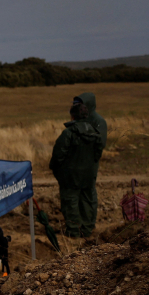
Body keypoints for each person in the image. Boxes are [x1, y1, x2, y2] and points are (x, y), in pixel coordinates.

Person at [48, 97, 103, 237]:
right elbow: (98, 154)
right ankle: (87, 229)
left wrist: (57, 171)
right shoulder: (95, 133)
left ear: (72, 116)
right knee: (88, 201)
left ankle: (73, 232)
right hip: (89, 175)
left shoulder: (68, 134)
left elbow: (57, 156)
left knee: (70, 202)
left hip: (70, 176)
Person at [76, 92, 108, 231]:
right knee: (78, 195)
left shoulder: (98, 121)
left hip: (89, 163)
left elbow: (100, 143)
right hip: (77, 162)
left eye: (82, 104)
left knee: (88, 194)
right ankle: (82, 223)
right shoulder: (81, 119)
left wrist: (92, 158)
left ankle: (89, 224)